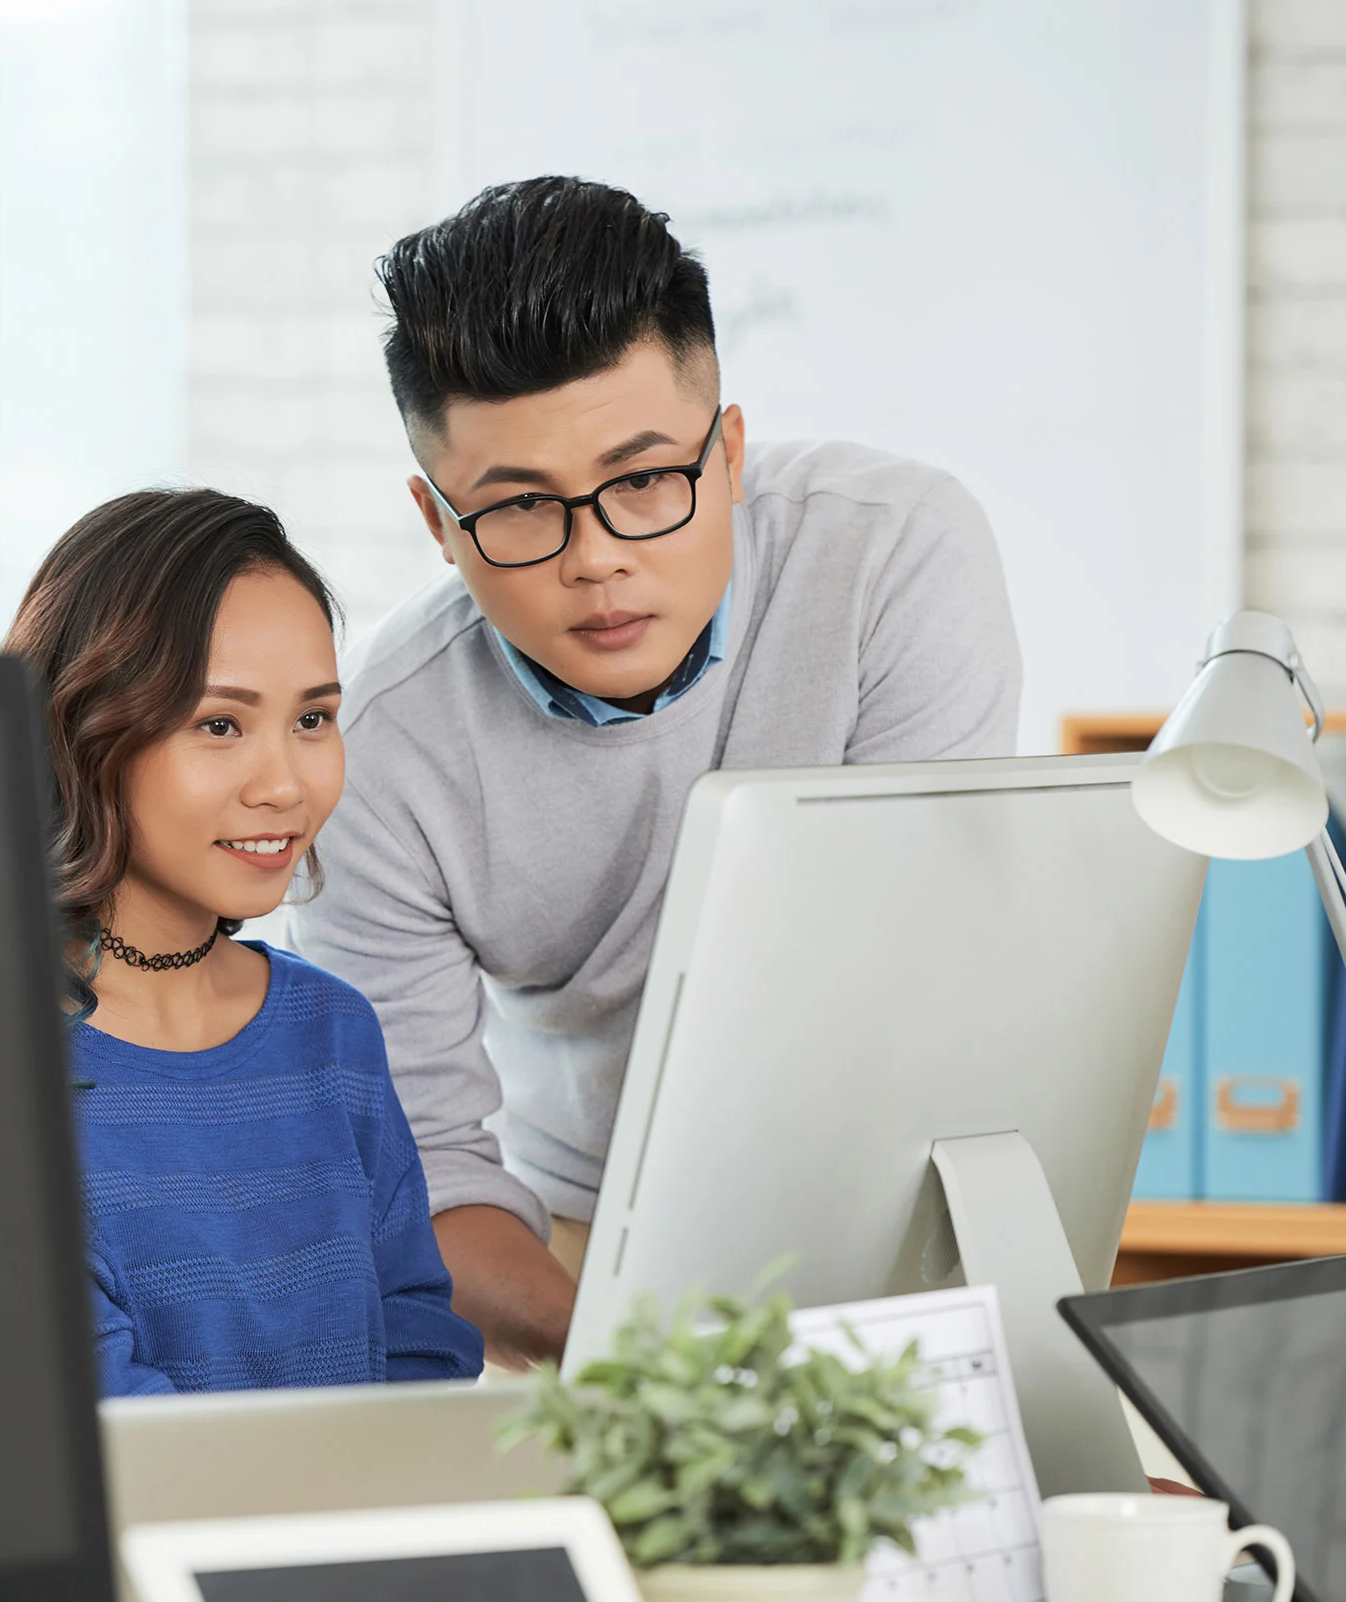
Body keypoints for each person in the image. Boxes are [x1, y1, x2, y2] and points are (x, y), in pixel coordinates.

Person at [289, 176, 1023, 1369]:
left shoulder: (895, 554)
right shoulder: (375, 747)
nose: (596, 562)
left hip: (904, 1187)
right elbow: (425, 1178)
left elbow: (911, 994)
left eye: (642, 483)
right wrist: (653, 1369)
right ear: (437, 524)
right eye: (520, 508)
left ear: (727, 452)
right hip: (583, 1247)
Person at [4, 487, 484, 1397]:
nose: (285, 784)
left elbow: (424, 1344)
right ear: (82, 730)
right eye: (219, 725)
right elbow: (105, 1425)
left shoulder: (332, 1030)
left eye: (313, 719)